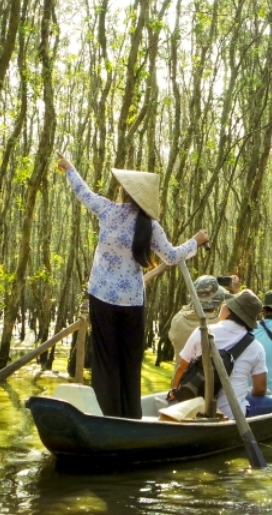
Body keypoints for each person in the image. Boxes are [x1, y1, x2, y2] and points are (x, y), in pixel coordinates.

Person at [57, 152, 208, 419]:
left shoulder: (108, 210)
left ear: (123, 192)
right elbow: (172, 257)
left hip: (101, 298)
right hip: (132, 303)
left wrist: (70, 167)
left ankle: (107, 417)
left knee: (106, 362)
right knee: (129, 363)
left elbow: (83, 192)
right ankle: (130, 417)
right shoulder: (150, 226)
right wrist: (195, 241)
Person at [170, 290, 272, 419]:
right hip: (233, 414)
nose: (222, 306)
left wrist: (174, 392)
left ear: (230, 311)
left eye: (226, 304)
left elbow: (181, 368)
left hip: (196, 409)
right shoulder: (256, 347)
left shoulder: (201, 332)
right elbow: (260, 389)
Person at [168, 274, 240, 364]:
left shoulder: (178, 320)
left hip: (181, 377)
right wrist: (236, 291)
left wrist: (202, 287)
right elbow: (242, 314)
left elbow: (188, 308)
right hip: (210, 378)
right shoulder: (218, 324)